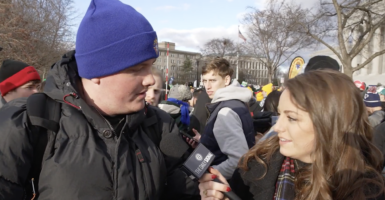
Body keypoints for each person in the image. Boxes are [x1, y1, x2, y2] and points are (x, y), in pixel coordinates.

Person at [0, 0, 191, 199]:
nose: (151, 79)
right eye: (136, 69)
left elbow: (185, 189)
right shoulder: (28, 123)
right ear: (95, 72)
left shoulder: (160, 125)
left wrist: (203, 192)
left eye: (151, 65)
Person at [199, 70, 385, 200]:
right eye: (280, 115)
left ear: (330, 125)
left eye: (292, 118)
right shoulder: (255, 167)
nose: (277, 127)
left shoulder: (367, 190)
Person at [188, 58, 255, 180]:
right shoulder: (235, 103)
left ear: (227, 80)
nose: (207, 86)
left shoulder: (226, 111)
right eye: (205, 81)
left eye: (213, 80)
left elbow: (238, 160)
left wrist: (207, 177)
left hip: (220, 187)